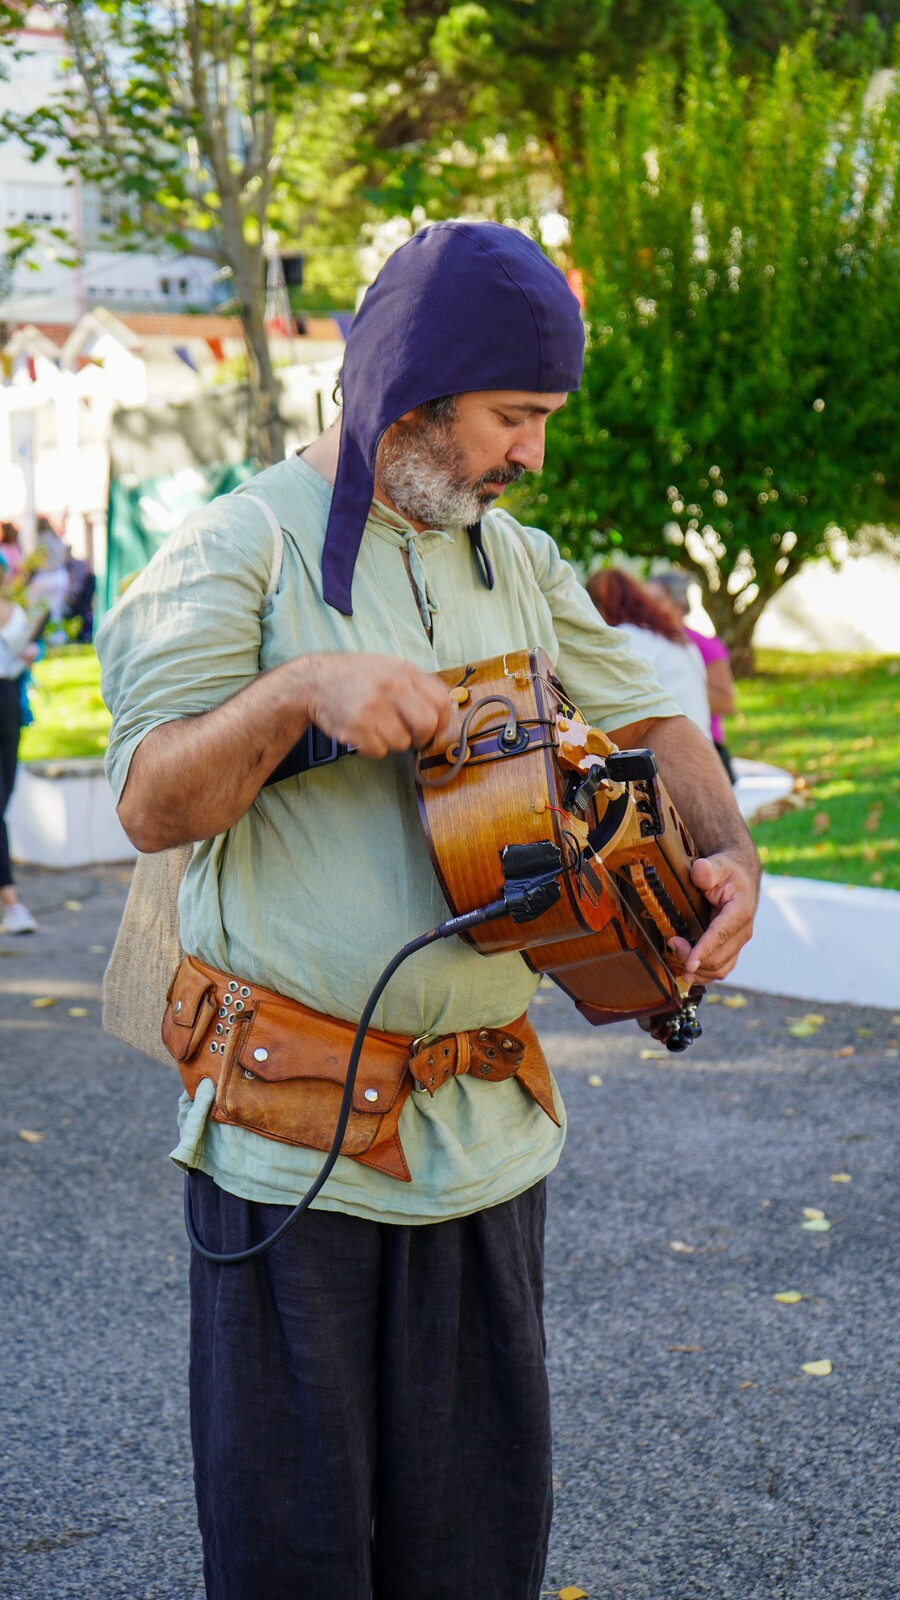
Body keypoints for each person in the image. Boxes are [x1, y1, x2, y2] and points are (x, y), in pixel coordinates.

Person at [97, 220, 759, 1600]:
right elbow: (152, 801)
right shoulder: (236, 549)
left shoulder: (517, 559)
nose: (533, 454)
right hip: (294, 1150)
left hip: (488, 1145)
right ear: (413, 389)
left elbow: (653, 719)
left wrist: (728, 856)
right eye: (513, 416)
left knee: (475, 1559)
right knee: (295, 1564)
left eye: (544, 419)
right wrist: (299, 693)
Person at [587, 566, 713, 738]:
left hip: (672, 744)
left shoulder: (628, 637)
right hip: (700, 744)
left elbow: (604, 704)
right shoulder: (678, 639)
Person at [645, 567, 738, 782]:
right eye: (644, 600)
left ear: (679, 606)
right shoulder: (642, 640)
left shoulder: (704, 645)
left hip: (704, 750)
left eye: (657, 601)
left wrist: (675, 686)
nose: (647, 608)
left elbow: (726, 702)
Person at [0, 593, 39, 935]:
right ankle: (11, 903)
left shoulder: (16, 612)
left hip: (9, 702)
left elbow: (29, 655)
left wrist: (31, 654)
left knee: (4, 798)